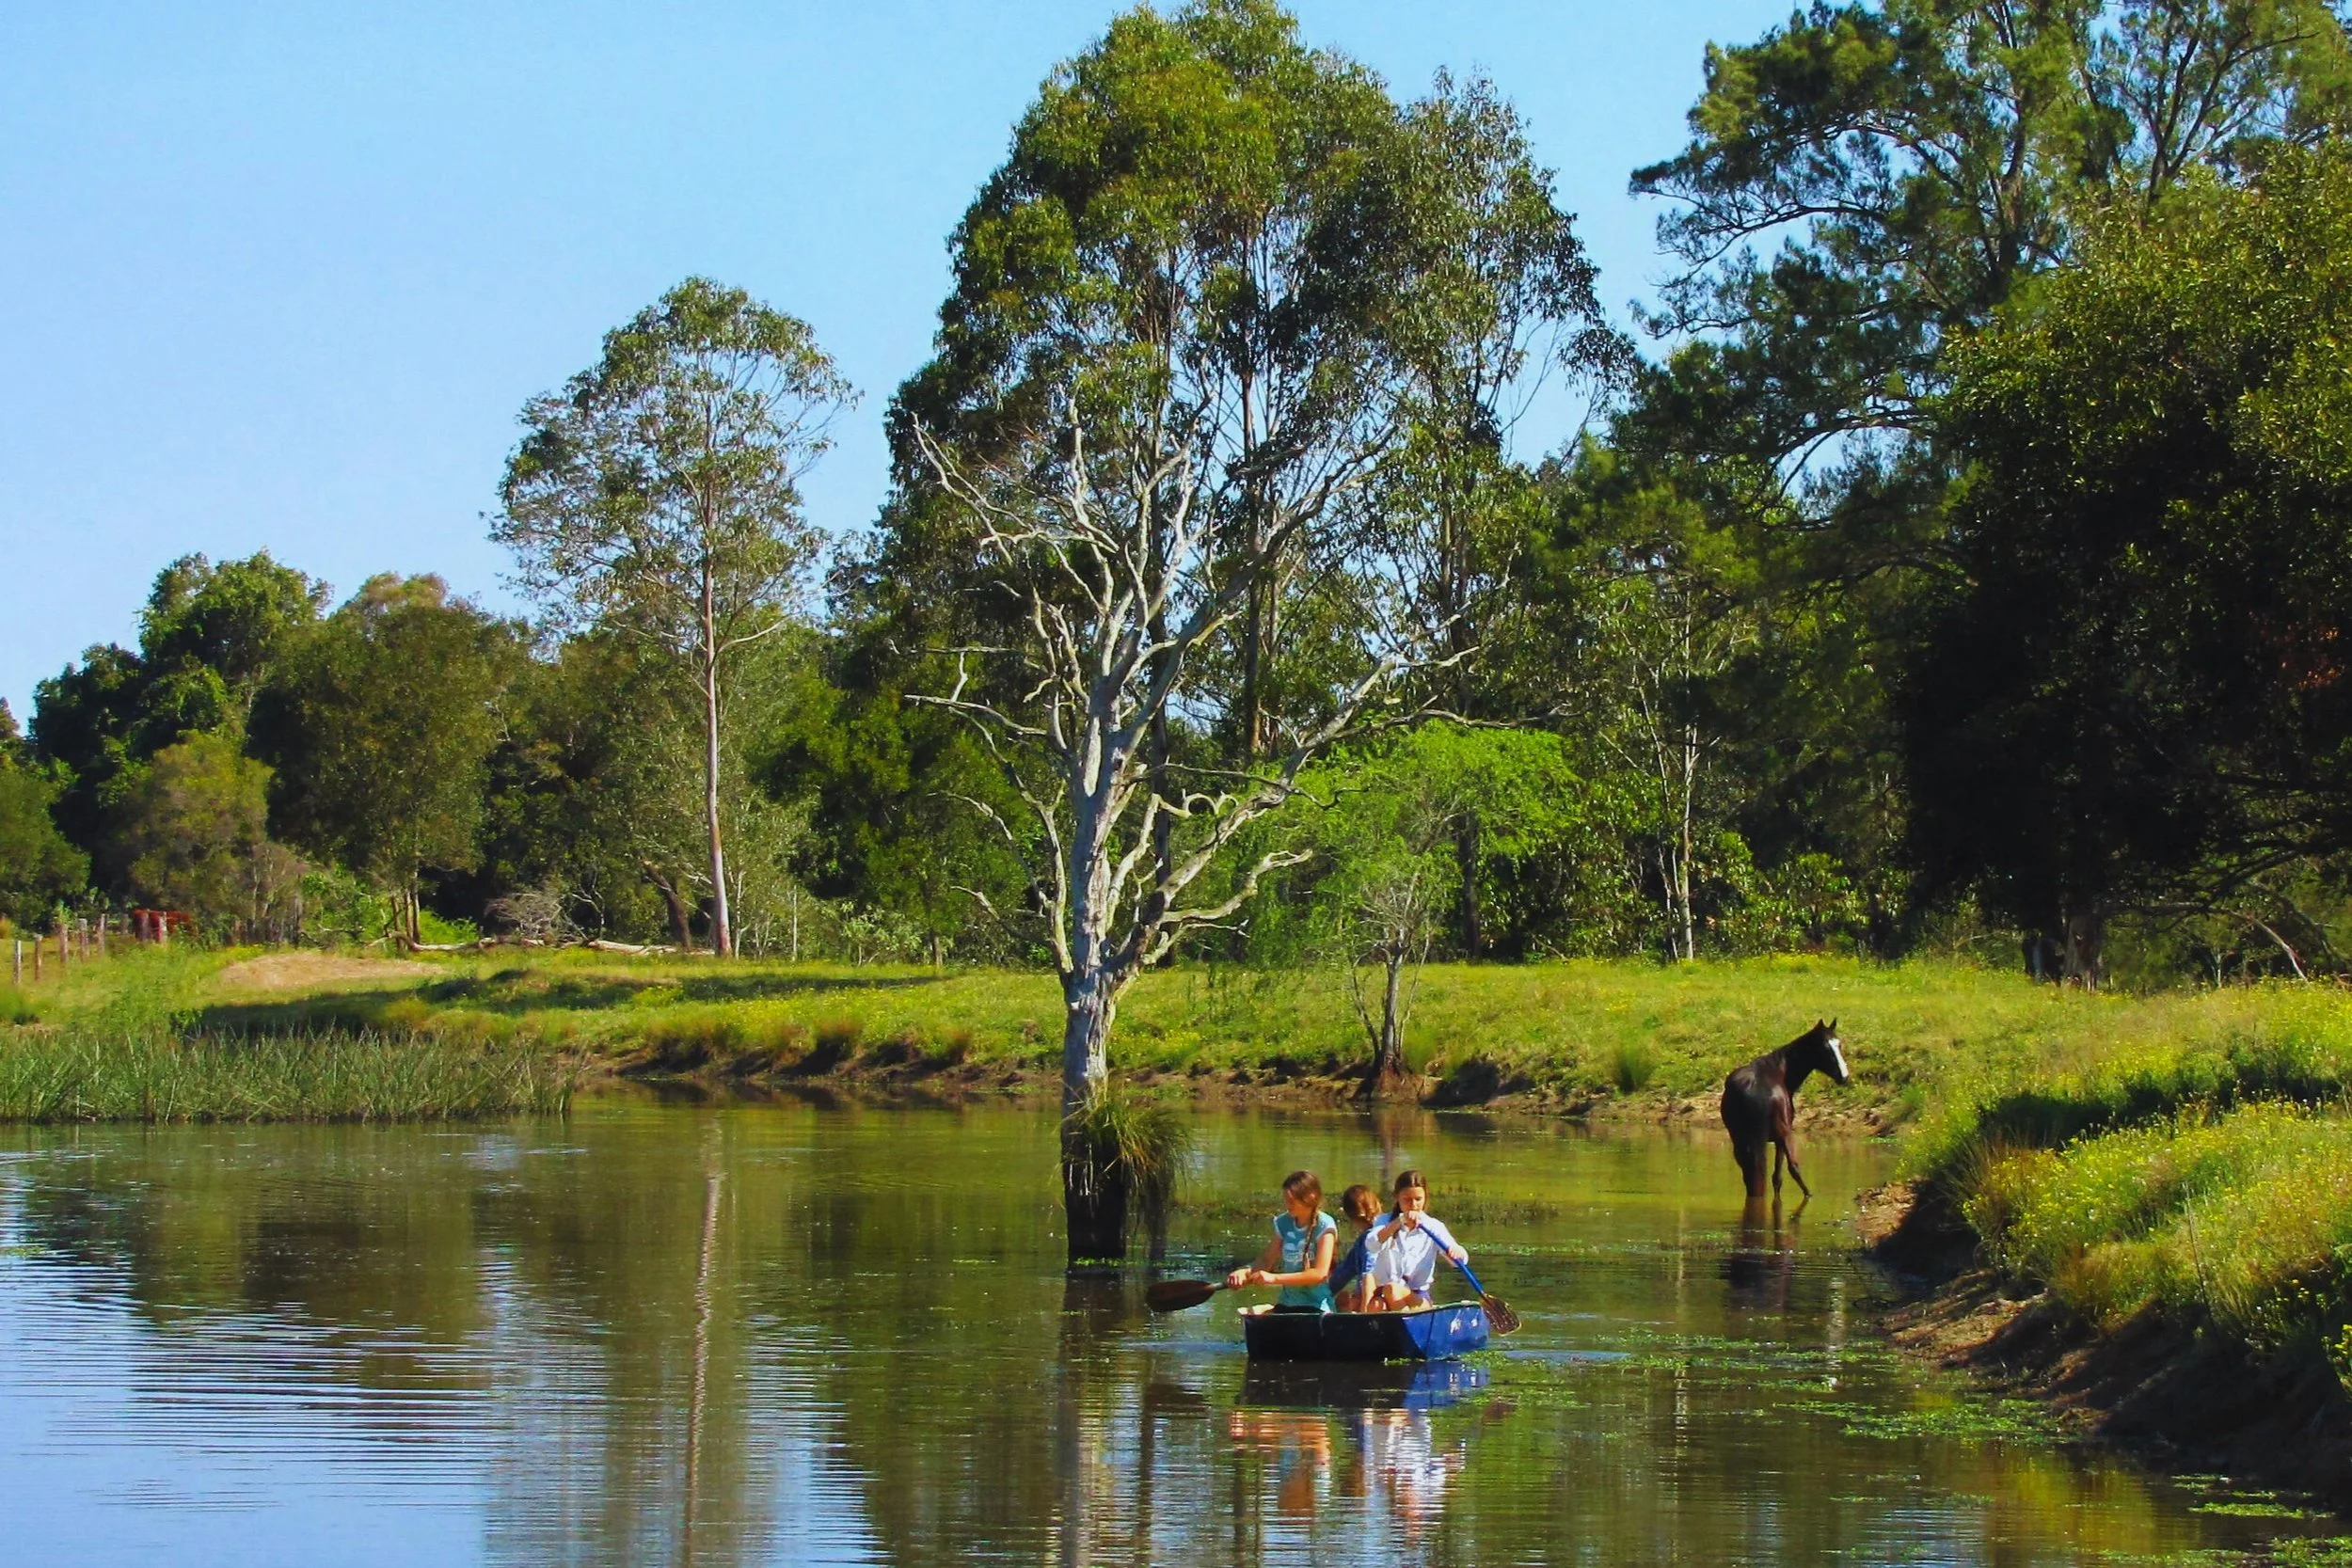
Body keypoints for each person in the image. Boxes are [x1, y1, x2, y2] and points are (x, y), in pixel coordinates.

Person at [1226, 1170, 1338, 1312]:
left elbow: (1319, 1274)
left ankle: (1266, 1310)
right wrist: (1245, 1272)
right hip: (1287, 1304)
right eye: (1285, 1199)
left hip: (1316, 1306)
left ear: (1311, 1197)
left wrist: (1274, 1279)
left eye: (1291, 1200)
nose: (1287, 1204)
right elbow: (1266, 1261)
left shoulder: (1325, 1225)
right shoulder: (1283, 1222)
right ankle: (1268, 1310)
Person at [1367, 1169, 1467, 1311]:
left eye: (1418, 1199)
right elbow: (1371, 1245)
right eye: (1407, 1200)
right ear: (1397, 1198)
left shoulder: (1433, 1226)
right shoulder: (1384, 1221)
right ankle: (1395, 1328)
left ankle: (1404, 1327)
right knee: (1377, 1305)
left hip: (1418, 1298)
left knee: (1392, 1289)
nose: (1413, 1205)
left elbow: (1459, 1261)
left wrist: (1456, 1253)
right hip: (1385, 1294)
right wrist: (1397, 1223)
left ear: (1425, 1197)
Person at [1327, 1183, 1382, 1311]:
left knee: (1343, 1299)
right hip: (1397, 1291)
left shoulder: (1366, 1240)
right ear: (1378, 1204)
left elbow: (1360, 1274)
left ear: (1351, 1218)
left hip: (1372, 1298)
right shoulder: (1392, 1227)